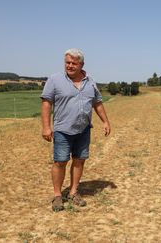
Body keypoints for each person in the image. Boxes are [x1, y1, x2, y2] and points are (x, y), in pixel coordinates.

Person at [41, 48, 111, 212]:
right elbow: (46, 103)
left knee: (79, 160)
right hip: (62, 130)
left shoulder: (90, 82)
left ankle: (73, 192)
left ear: (82, 64)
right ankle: (58, 196)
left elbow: (97, 104)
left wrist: (105, 122)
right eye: (67, 62)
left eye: (74, 63)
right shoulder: (55, 80)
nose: (70, 65)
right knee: (60, 162)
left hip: (83, 129)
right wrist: (46, 127)